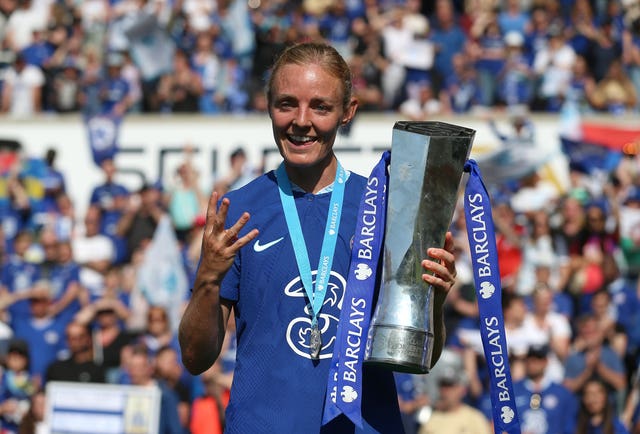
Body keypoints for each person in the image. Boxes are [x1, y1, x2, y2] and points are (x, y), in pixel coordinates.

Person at [178, 42, 458, 433]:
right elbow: (195, 358)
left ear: (348, 112)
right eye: (287, 104)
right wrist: (207, 278)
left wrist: (433, 302)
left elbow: (419, 360)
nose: (301, 121)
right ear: (268, 105)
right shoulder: (238, 211)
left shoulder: (385, 210)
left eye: (321, 107)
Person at [417, 366, 491, 434]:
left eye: (450, 385)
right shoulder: (430, 421)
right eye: (442, 385)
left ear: (462, 389)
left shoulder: (475, 419)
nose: (445, 390)